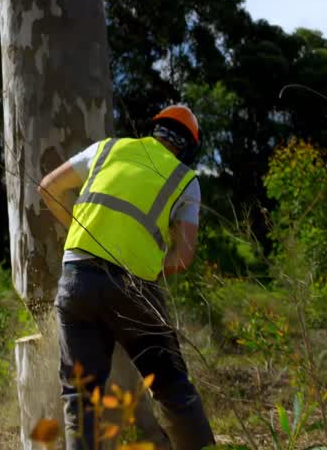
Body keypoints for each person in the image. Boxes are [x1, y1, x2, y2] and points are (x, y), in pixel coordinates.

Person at [38, 104, 217, 450]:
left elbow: (47, 188)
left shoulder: (107, 148)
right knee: (172, 388)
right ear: (189, 147)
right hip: (134, 288)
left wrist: (79, 229)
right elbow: (183, 257)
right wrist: (149, 266)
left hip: (76, 280)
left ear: (156, 130)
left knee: (80, 396)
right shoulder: (185, 180)